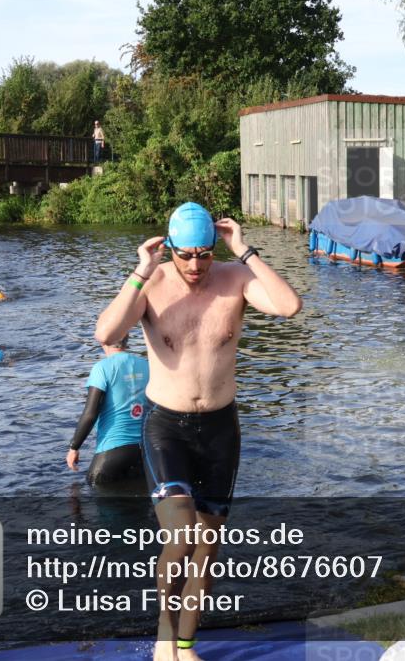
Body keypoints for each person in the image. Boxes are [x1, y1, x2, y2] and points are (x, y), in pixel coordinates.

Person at [94, 202, 301, 661]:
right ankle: (163, 637)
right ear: (168, 249)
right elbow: (106, 332)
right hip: (166, 426)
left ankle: (185, 647)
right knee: (181, 533)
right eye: (184, 255)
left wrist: (245, 251)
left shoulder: (235, 278)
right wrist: (140, 271)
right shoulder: (153, 283)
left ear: (214, 248)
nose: (194, 265)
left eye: (203, 254)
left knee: (207, 546)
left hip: (220, 428)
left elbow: (289, 306)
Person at [66, 335, 149, 486]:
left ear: (103, 341)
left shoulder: (102, 368)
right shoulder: (146, 365)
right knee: (139, 506)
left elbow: (90, 413)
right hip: (145, 453)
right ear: (127, 339)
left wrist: (74, 447)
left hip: (112, 451)